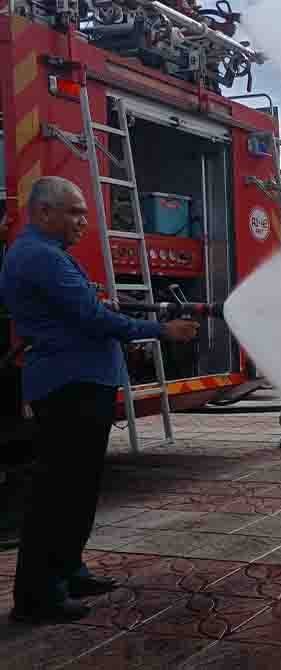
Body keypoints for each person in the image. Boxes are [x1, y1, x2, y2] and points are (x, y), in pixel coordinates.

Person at [2, 177, 199, 623]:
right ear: (44, 213)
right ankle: (37, 596)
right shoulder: (40, 257)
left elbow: (88, 315)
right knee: (59, 492)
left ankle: (68, 570)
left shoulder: (48, 256)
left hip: (79, 384)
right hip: (68, 386)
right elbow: (93, 319)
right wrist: (162, 330)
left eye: (85, 214)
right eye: (74, 212)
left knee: (80, 487)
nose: (83, 222)